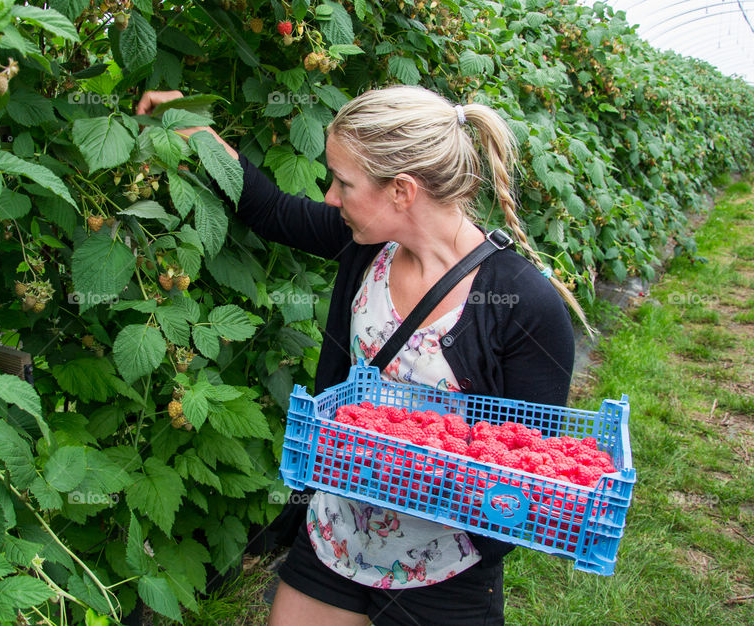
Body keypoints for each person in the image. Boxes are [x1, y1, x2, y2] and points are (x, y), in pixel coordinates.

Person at [136, 86, 583, 625]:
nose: (329, 196)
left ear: (401, 191)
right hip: (336, 533)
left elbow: (528, 471)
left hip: (441, 569)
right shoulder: (368, 244)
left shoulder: (525, 305)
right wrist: (190, 132)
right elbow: (272, 208)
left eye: (343, 183)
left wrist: (428, 474)